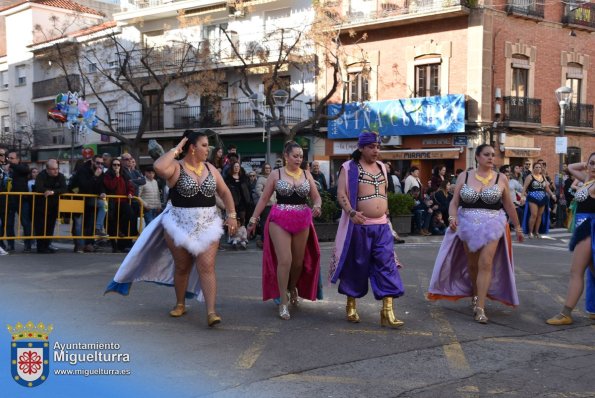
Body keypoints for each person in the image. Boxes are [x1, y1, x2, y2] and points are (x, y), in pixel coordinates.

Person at [105, 129, 237, 328]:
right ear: (191, 148)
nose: (207, 149)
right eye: (203, 145)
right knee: (182, 266)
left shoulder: (211, 168)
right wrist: (177, 148)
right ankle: (180, 303)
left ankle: (211, 312)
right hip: (178, 224)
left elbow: (225, 192)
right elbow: (158, 166)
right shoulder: (175, 167)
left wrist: (232, 215)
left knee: (207, 267)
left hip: (208, 224)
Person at [427, 144, 524, 324]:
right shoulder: (464, 176)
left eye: (493, 155)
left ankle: (480, 307)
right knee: (473, 265)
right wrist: (452, 217)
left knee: (486, 262)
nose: (491, 158)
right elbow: (454, 203)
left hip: (493, 223)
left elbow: (509, 205)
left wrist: (518, 227)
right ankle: (474, 293)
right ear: (477, 157)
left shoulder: (501, 178)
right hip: (467, 224)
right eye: (487, 154)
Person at [328, 132, 405, 328]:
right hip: (359, 227)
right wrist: (351, 212)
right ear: (361, 148)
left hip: (381, 226)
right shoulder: (349, 167)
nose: (376, 150)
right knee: (356, 266)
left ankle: (387, 311)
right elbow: (341, 193)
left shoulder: (382, 168)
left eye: (378, 147)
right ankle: (351, 306)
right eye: (371, 147)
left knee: (387, 266)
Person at [247, 141, 322, 320]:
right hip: (279, 218)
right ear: (286, 156)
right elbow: (264, 198)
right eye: (295, 156)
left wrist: (318, 205)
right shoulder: (276, 174)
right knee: (285, 260)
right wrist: (253, 219)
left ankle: (293, 287)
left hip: (302, 219)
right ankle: (283, 301)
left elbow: (316, 196)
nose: (299, 159)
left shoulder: (306, 174)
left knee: (297, 262)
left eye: (301, 156)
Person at [546, 154, 595, 325]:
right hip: (583, 227)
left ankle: (566, 313)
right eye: (592, 163)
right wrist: (587, 164)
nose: (594, 167)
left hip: (589, 228)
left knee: (576, 271)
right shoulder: (588, 178)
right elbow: (571, 168)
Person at [33, 159, 68, 254]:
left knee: (50, 226)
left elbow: (64, 188)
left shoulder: (60, 176)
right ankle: (40, 247)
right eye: (53, 169)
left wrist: (52, 192)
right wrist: (48, 191)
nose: (56, 171)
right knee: (40, 227)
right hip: (41, 206)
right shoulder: (41, 176)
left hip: (53, 206)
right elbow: (39, 188)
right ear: (47, 169)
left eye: (57, 168)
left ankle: (47, 245)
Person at [521, 162, 556, 238]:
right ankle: (530, 232)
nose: (538, 168)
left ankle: (536, 232)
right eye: (536, 167)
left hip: (543, 198)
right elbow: (524, 187)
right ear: (533, 168)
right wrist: (522, 197)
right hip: (533, 197)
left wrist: (552, 195)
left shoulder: (543, 176)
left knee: (539, 215)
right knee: (534, 215)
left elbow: (547, 188)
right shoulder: (530, 177)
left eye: (539, 167)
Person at [5, 151, 31, 252]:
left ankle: (27, 245)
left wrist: (11, 164)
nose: (9, 160)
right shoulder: (7, 169)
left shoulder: (22, 167)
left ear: (17, 159)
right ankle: (11, 245)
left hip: (22, 199)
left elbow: (25, 170)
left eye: (12, 158)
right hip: (10, 200)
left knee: (25, 222)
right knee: (9, 223)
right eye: (8, 158)